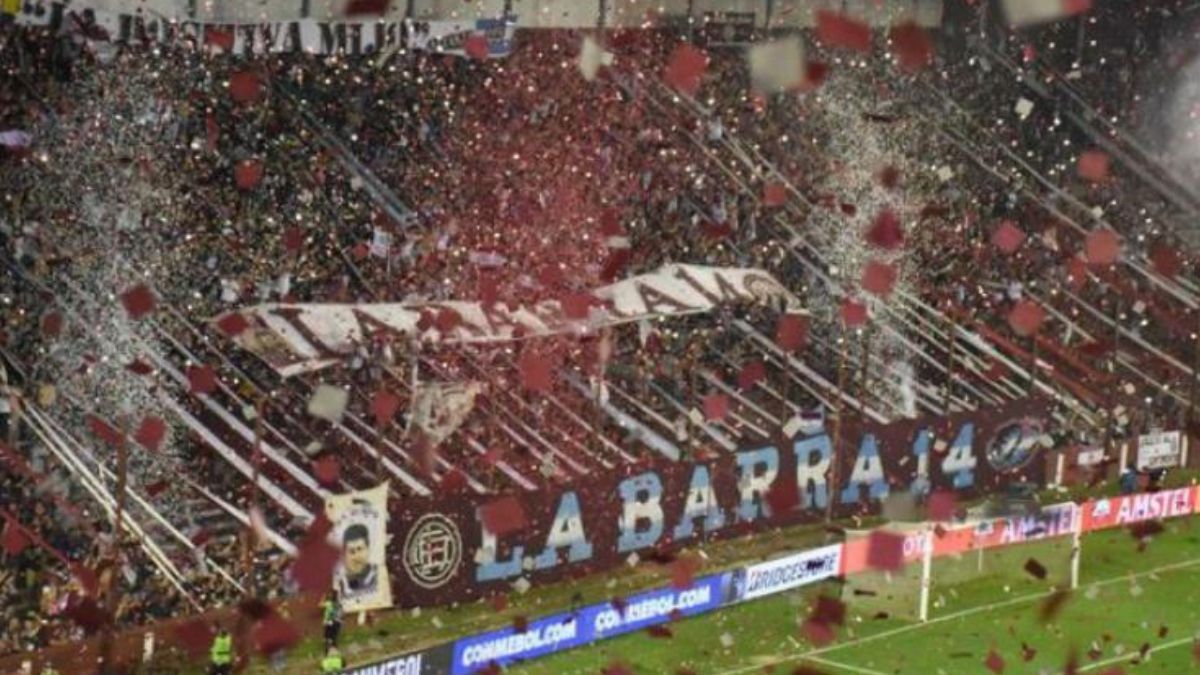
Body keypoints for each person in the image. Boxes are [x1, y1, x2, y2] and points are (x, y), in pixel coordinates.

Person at [336, 524, 377, 596]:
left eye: (360, 549)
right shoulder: (340, 585)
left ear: (368, 549)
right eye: (352, 551)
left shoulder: (379, 577)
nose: (356, 556)